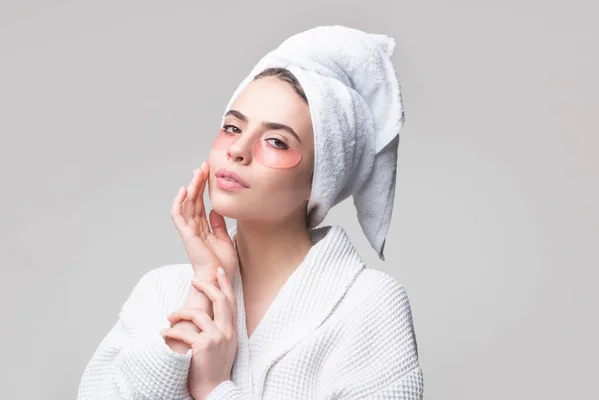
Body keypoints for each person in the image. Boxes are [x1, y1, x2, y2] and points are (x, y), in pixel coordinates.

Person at [76, 25, 424, 400]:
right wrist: (203, 293)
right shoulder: (160, 292)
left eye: (276, 140)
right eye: (231, 127)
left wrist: (215, 389)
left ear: (321, 178)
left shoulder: (368, 304)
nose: (238, 149)